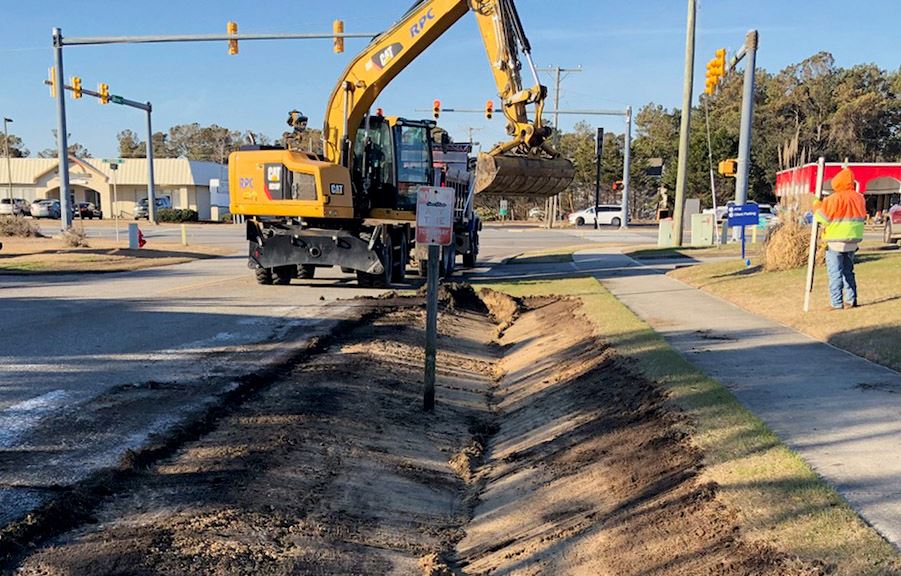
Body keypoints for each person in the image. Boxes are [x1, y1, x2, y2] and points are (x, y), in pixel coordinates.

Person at [813, 167, 867, 309]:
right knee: (848, 271)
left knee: (835, 273)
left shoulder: (833, 199)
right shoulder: (859, 198)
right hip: (853, 240)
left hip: (835, 241)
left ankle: (836, 303)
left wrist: (817, 206)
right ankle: (851, 299)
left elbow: (823, 219)